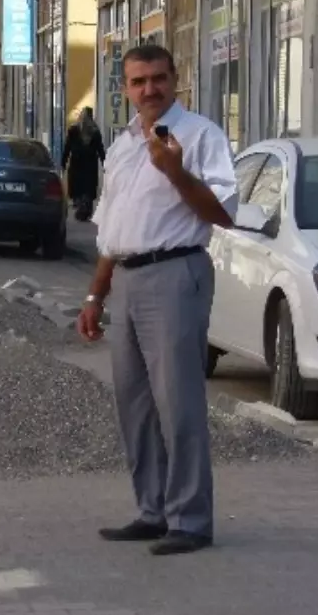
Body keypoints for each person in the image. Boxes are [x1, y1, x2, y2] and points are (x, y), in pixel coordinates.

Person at [76, 44, 237, 557]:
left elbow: (222, 212)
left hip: (174, 274)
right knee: (136, 405)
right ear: (125, 88)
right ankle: (153, 510)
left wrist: (174, 171)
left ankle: (191, 520)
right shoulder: (122, 144)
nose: (150, 89)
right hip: (125, 277)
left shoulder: (201, 136)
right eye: (139, 81)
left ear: (176, 78)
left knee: (178, 402)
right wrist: (94, 295)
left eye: (159, 79)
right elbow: (111, 228)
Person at [63, 107, 107, 222]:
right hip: (90, 165)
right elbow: (100, 149)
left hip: (77, 164)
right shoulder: (95, 131)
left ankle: (80, 206)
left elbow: (67, 148)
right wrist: (105, 163)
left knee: (78, 187)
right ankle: (85, 208)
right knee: (88, 188)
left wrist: (63, 162)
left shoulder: (73, 130)